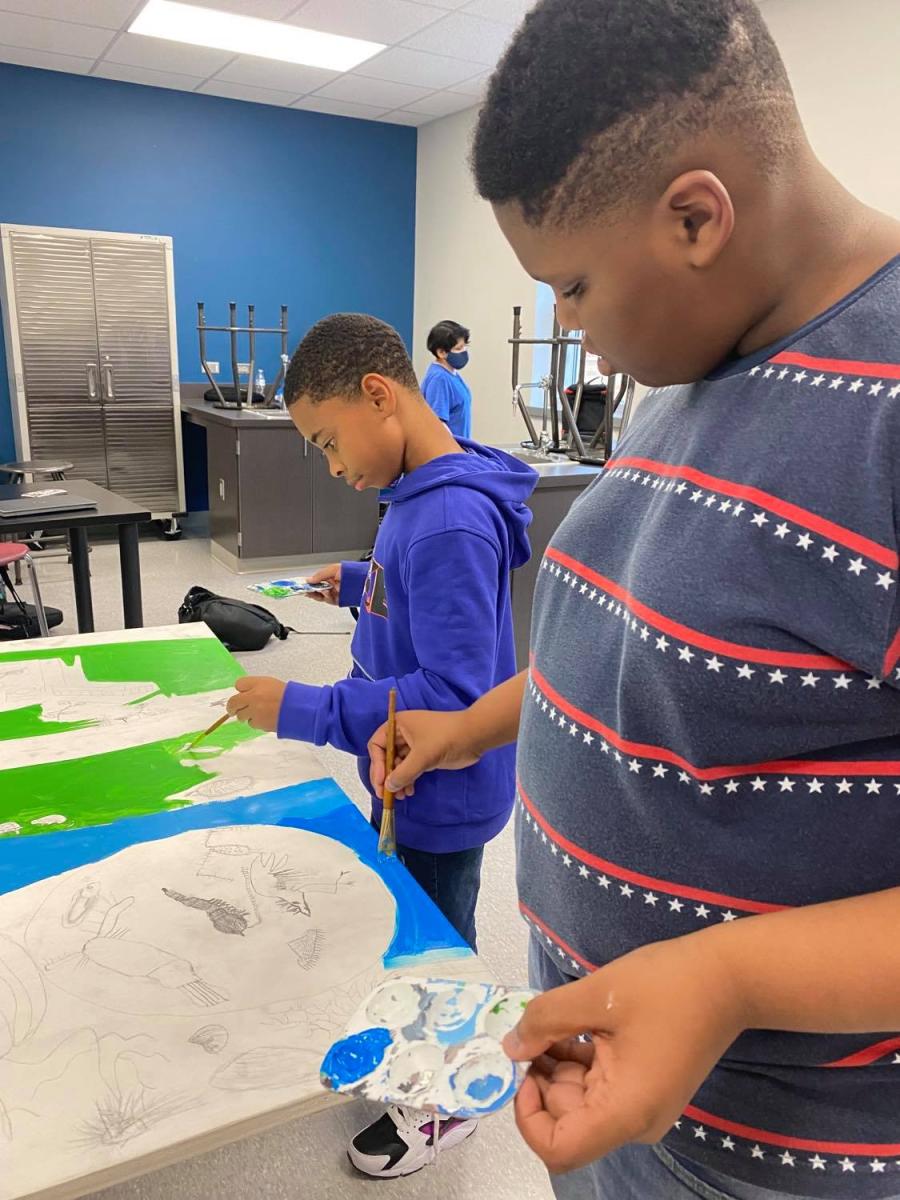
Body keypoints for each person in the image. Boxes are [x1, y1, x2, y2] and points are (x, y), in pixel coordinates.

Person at [365, 1, 900, 1197]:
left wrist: (728, 979)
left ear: (697, 216)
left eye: (571, 284)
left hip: (783, 1163)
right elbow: (632, 643)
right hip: (625, 1105)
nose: (567, 324)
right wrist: (477, 721)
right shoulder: (698, 358)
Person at [225, 312, 537, 1179]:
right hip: (401, 776)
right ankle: (410, 1051)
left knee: (438, 944)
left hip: (441, 785)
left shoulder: (444, 522)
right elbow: (430, 608)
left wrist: (306, 708)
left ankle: (443, 1103)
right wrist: (366, 583)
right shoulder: (424, 502)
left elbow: (458, 701)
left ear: (378, 395)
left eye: (328, 442)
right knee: (408, 926)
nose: (333, 466)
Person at [421, 319, 472, 439]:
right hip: (450, 453)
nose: (464, 352)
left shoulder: (451, 373)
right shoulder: (439, 378)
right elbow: (437, 426)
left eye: (464, 347)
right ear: (441, 352)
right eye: (459, 349)